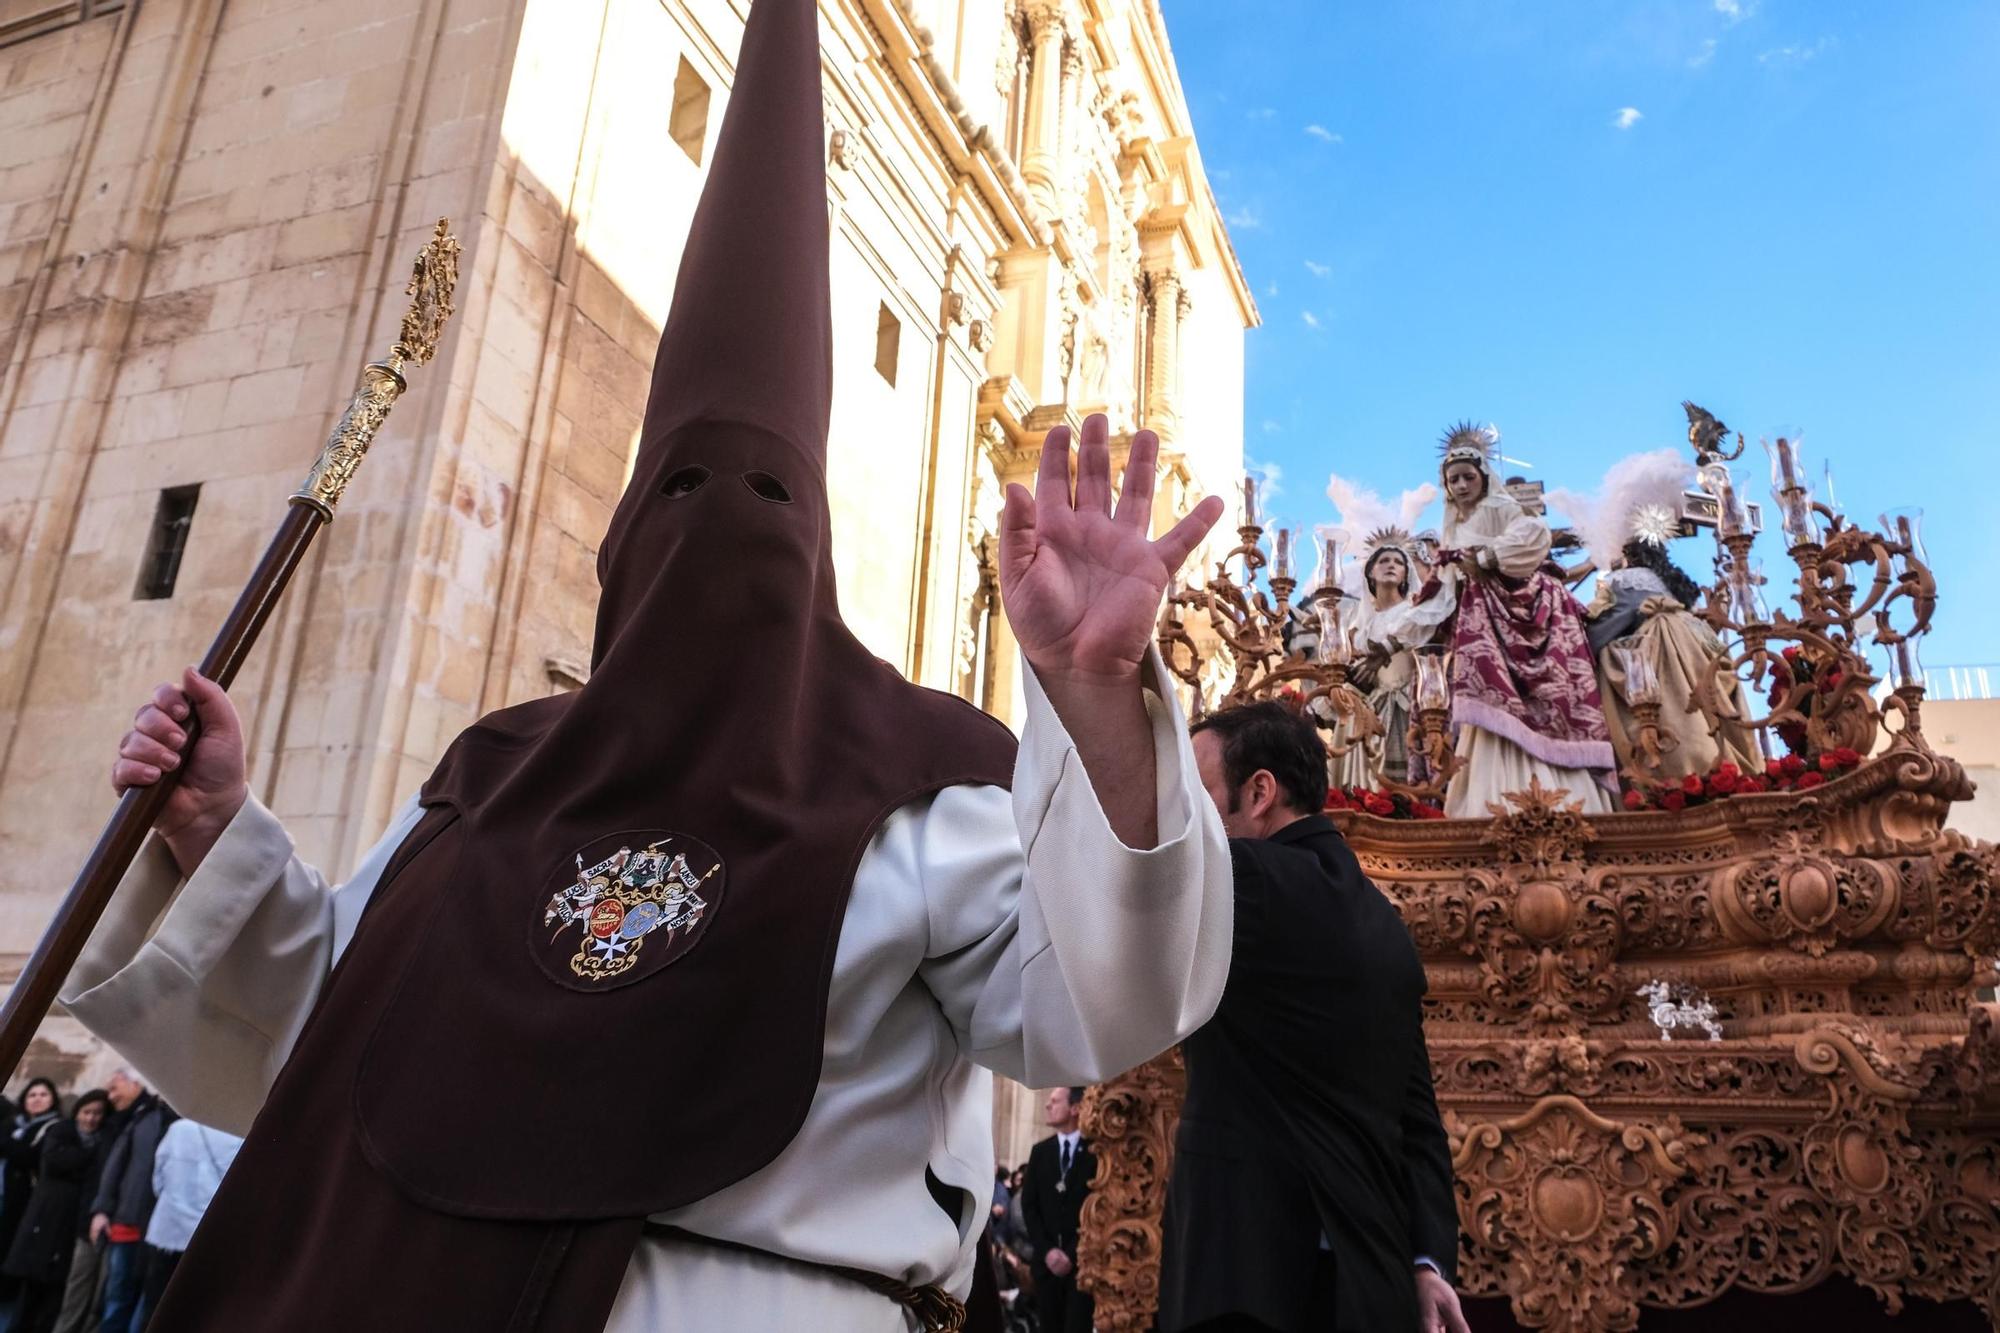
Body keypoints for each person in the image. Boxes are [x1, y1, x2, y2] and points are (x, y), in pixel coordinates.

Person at [57, 2, 1233, 1327]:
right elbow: (328, 1024)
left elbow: (1095, 996)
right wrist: (218, 831)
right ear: (621, 551)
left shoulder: (923, 790)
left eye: (767, 500)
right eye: (676, 490)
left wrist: (1096, 716)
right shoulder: (495, 777)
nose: (719, 533)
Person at [1160, 701, 1469, 1333]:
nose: (1181, 813)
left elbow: (1119, 864)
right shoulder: (1386, 925)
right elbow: (1418, 1122)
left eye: (1194, 792)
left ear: (1259, 792)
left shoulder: (1242, 879)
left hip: (1246, 1283)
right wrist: (1428, 1261)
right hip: (1371, 1284)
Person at [1423, 423, 1615, 816]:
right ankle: (1491, 787)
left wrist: (1488, 558)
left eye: (1467, 477)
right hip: (1478, 611)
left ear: (1482, 477)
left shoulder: (1498, 507)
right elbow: (1445, 581)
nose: (1461, 486)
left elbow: (1533, 532)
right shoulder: (1453, 525)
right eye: (1453, 480)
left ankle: (1555, 787)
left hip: (1514, 602)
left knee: (1542, 692)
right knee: (1486, 688)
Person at [1585, 536, 1757, 782]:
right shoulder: (1674, 589)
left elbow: (1597, 631)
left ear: (1626, 556)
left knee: (1678, 729)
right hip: (1696, 648)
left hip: (1661, 658)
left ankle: (1685, 773)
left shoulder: (1623, 581)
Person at [1332, 531, 1450, 789]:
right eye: (1383, 561)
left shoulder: (1416, 612)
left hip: (1409, 704)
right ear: (1371, 573)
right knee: (1372, 782)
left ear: (1407, 574)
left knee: (1411, 776)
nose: (1391, 566)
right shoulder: (1361, 626)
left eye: (1398, 562)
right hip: (1371, 709)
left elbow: (1424, 639)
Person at [2, 1092, 109, 1333]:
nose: (91, 1119)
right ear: (77, 1112)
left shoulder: (100, 1141)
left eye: (97, 1113)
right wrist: (89, 1160)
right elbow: (57, 1161)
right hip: (46, 1221)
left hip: (71, 1225)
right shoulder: (62, 1132)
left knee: (55, 1294)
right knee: (32, 1290)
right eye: (86, 1112)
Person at [48, 1074, 144, 1333]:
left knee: (103, 1294)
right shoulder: (111, 1129)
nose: (111, 1094)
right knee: (80, 1290)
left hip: (120, 1224)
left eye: (115, 1088)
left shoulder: (133, 1123)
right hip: (93, 1220)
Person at [136, 1122, 240, 1323]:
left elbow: (158, 1178)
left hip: (166, 1230)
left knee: (155, 1305)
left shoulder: (178, 1129)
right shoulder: (236, 1137)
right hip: (205, 1237)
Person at [88, 1085, 173, 1333]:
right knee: (117, 1297)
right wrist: (102, 1210)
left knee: (149, 1304)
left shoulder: (192, 1124)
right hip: (130, 1221)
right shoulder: (145, 1116)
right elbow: (116, 1165)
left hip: (165, 1231)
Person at [1021, 1087, 1095, 1333]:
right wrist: (1048, 1251)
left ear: (1074, 1108)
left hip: (1080, 1267)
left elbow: (1096, 1209)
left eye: (1055, 1101)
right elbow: (1029, 1207)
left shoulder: (1094, 1152)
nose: (1048, 1105)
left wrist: (1071, 1254)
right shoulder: (1040, 1153)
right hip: (1046, 1265)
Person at [0, 1081, 62, 1325]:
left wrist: (7, 1141)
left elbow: (27, 1156)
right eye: (32, 1094)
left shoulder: (54, 1128)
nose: (37, 1099)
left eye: (43, 1094)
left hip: (23, 1210)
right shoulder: (14, 1125)